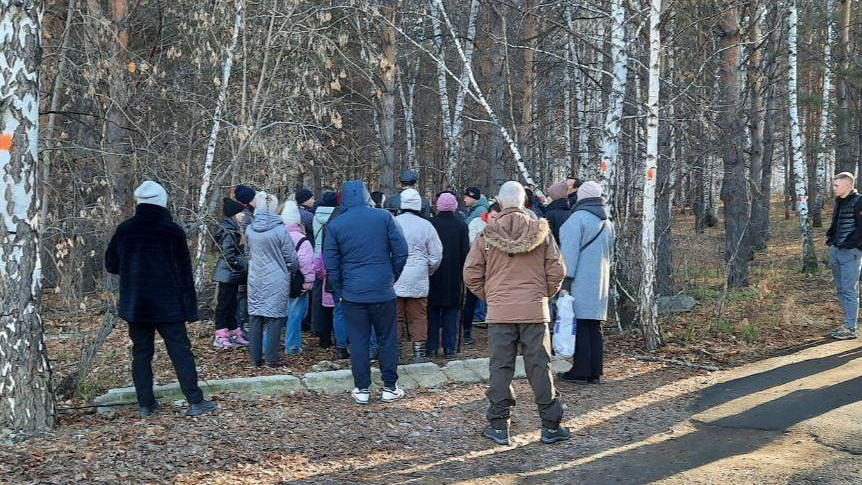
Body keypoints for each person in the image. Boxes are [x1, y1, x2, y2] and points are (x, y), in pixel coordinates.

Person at [463, 181, 569, 446]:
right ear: (524, 202)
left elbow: (471, 274)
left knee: (500, 368)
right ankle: (550, 427)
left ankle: (499, 427)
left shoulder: (487, 235)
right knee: (540, 368)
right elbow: (557, 271)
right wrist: (543, 294)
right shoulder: (541, 232)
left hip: (500, 313)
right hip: (534, 311)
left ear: (499, 202)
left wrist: (493, 298)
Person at [105, 181, 217, 418]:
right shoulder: (172, 231)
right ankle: (195, 401)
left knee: (141, 352)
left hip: (137, 304)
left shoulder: (125, 229)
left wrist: (134, 269)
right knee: (180, 351)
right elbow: (184, 274)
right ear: (162, 202)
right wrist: (190, 310)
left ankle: (145, 404)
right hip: (169, 305)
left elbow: (111, 264)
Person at [324, 180, 409, 405]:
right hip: (382, 289)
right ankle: (390, 387)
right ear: (365, 196)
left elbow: (331, 263)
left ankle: (362, 388)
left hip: (353, 293)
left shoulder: (336, 225)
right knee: (387, 339)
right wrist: (391, 276)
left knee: (359, 341)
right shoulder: (384, 218)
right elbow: (401, 251)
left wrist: (341, 288)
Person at [558, 180, 615, 383]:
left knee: (581, 325)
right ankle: (594, 372)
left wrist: (565, 281)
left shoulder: (578, 219)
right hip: (600, 282)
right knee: (593, 326)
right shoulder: (607, 221)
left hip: (580, 280)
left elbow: (569, 253)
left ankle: (580, 372)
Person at [246, 191, 298, 367]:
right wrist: (291, 269)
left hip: (255, 278)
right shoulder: (280, 230)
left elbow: (248, 254)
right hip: (277, 278)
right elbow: (290, 257)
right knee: (274, 318)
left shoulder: (250, 229)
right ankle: (271, 357)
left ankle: (254, 358)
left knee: (255, 317)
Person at [394, 188, 443, 363]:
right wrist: (428, 270)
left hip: (396, 277)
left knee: (396, 315)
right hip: (419, 276)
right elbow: (436, 255)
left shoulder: (393, 222)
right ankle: (419, 353)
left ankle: (396, 352)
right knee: (418, 316)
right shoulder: (426, 226)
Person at [428, 192, 470, 359]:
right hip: (454, 275)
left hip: (433, 273)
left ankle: (431, 347)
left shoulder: (431, 223)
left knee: (432, 312)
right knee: (451, 312)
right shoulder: (461, 226)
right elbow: (465, 252)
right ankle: (450, 348)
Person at [311, 191, 349, 357]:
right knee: (343, 309)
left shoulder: (314, 217)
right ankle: (345, 341)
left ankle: (324, 337)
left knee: (325, 306)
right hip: (341, 270)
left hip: (323, 263)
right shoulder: (343, 222)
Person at [826, 172, 862, 340]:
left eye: (836, 185)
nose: (833, 188)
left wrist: (850, 244)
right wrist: (831, 240)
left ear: (847, 185)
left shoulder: (859, 201)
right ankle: (848, 321)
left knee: (849, 290)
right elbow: (836, 223)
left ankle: (850, 328)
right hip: (836, 250)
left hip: (851, 253)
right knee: (840, 288)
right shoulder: (839, 201)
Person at [212, 197, 250, 348]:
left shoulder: (233, 228)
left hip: (231, 274)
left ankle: (233, 331)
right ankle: (220, 335)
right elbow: (228, 254)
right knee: (224, 304)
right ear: (234, 214)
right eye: (241, 213)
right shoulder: (228, 230)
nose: (243, 216)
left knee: (232, 303)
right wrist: (240, 266)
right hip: (227, 273)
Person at [281, 201, 315, 355]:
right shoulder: (302, 240)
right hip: (297, 283)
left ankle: (266, 344)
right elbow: (306, 263)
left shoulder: (277, 235)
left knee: (277, 316)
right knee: (296, 314)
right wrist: (308, 282)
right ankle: (292, 346)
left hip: (279, 281)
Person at [462, 203, 500, 345]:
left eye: (498, 217)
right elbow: (472, 242)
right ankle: (466, 331)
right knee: (471, 300)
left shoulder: (502, 228)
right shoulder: (476, 223)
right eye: (492, 217)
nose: (494, 220)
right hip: (478, 268)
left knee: (493, 302)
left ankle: (493, 331)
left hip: (494, 270)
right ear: (487, 215)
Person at [233, 184, 257, 335]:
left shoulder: (245, 213)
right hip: (243, 259)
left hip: (243, 258)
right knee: (242, 293)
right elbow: (244, 239)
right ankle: (241, 326)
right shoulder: (243, 215)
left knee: (242, 293)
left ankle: (240, 324)